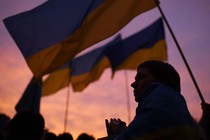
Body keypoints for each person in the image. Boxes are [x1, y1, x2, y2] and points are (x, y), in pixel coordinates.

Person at [105, 60, 206, 140]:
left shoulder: (164, 99)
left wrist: (116, 135)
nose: (133, 84)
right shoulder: (181, 112)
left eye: (140, 78)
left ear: (163, 81)